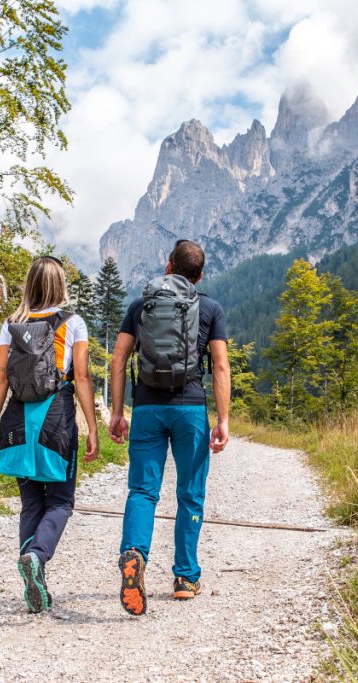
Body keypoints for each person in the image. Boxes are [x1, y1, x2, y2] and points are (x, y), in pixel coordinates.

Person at [108, 239, 231, 616]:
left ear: (168, 266)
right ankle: (185, 577)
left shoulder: (140, 305)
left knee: (143, 490)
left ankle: (134, 553)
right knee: (189, 493)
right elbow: (221, 366)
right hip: (190, 410)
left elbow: (118, 360)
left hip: (146, 408)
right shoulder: (209, 307)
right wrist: (223, 419)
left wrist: (117, 411)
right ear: (199, 275)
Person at [0, 255, 99, 613]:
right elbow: (80, 377)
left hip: (17, 418)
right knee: (61, 501)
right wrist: (92, 426)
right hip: (56, 417)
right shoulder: (73, 323)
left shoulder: (11, 325)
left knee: (31, 502)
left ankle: (34, 578)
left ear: (29, 284)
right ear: (61, 285)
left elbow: (1, 379)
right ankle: (36, 555)